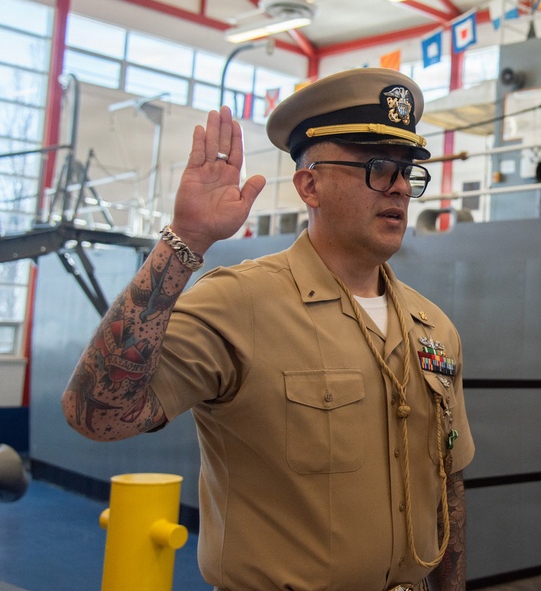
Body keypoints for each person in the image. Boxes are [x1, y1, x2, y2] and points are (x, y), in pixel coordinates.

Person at [61, 68, 474, 591]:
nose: (397, 185)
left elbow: (449, 485)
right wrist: (184, 241)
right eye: (375, 166)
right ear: (309, 184)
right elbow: (96, 415)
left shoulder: (433, 326)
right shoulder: (237, 303)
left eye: (406, 170)